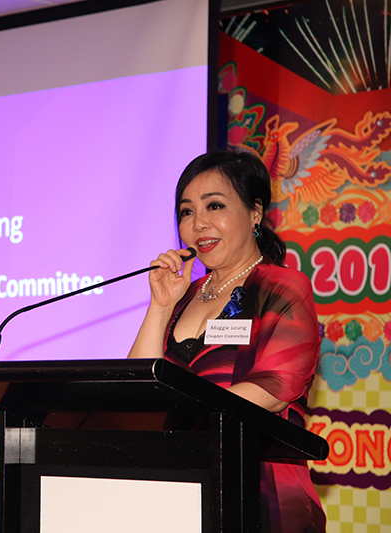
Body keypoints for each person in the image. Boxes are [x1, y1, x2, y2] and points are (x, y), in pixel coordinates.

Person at [128, 150, 326, 532]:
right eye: (186, 212)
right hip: (178, 496)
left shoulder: (283, 287)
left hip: (260, 495)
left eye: (214, 206)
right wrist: (160, 306)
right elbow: (138, 389)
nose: (198, 224)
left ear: (255, 213)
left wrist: (178, 427)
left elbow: (274, 388)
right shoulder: (183, 294)